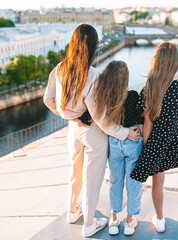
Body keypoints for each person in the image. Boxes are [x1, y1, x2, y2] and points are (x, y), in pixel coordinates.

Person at [43, 24, 140, 237]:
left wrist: (69, 115)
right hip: (92, 133)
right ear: (94, 47)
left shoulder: (59, 69)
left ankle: (71, 211)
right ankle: (88, 224)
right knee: (92, 181)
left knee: (74, 173)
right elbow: (101, 119)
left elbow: (48, 100)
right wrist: (125, 133)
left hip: (73, 130)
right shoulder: (92, 75)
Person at [130, 42, 178, 233]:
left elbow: (147, 123)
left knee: (158, 181)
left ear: (156, 61)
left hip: (156, 141)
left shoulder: (150, 87)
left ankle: (160, 219)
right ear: (175, 63)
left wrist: (148, 147)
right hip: (177, 137)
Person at [79, 60, 143, 236]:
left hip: (113, 143)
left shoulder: (102, 99)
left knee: (115, 182)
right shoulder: (132, 96)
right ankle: (129, 222)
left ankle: (114, 220)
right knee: (133, 183)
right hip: (132, 141)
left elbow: (85, 118)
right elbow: (141, 119)